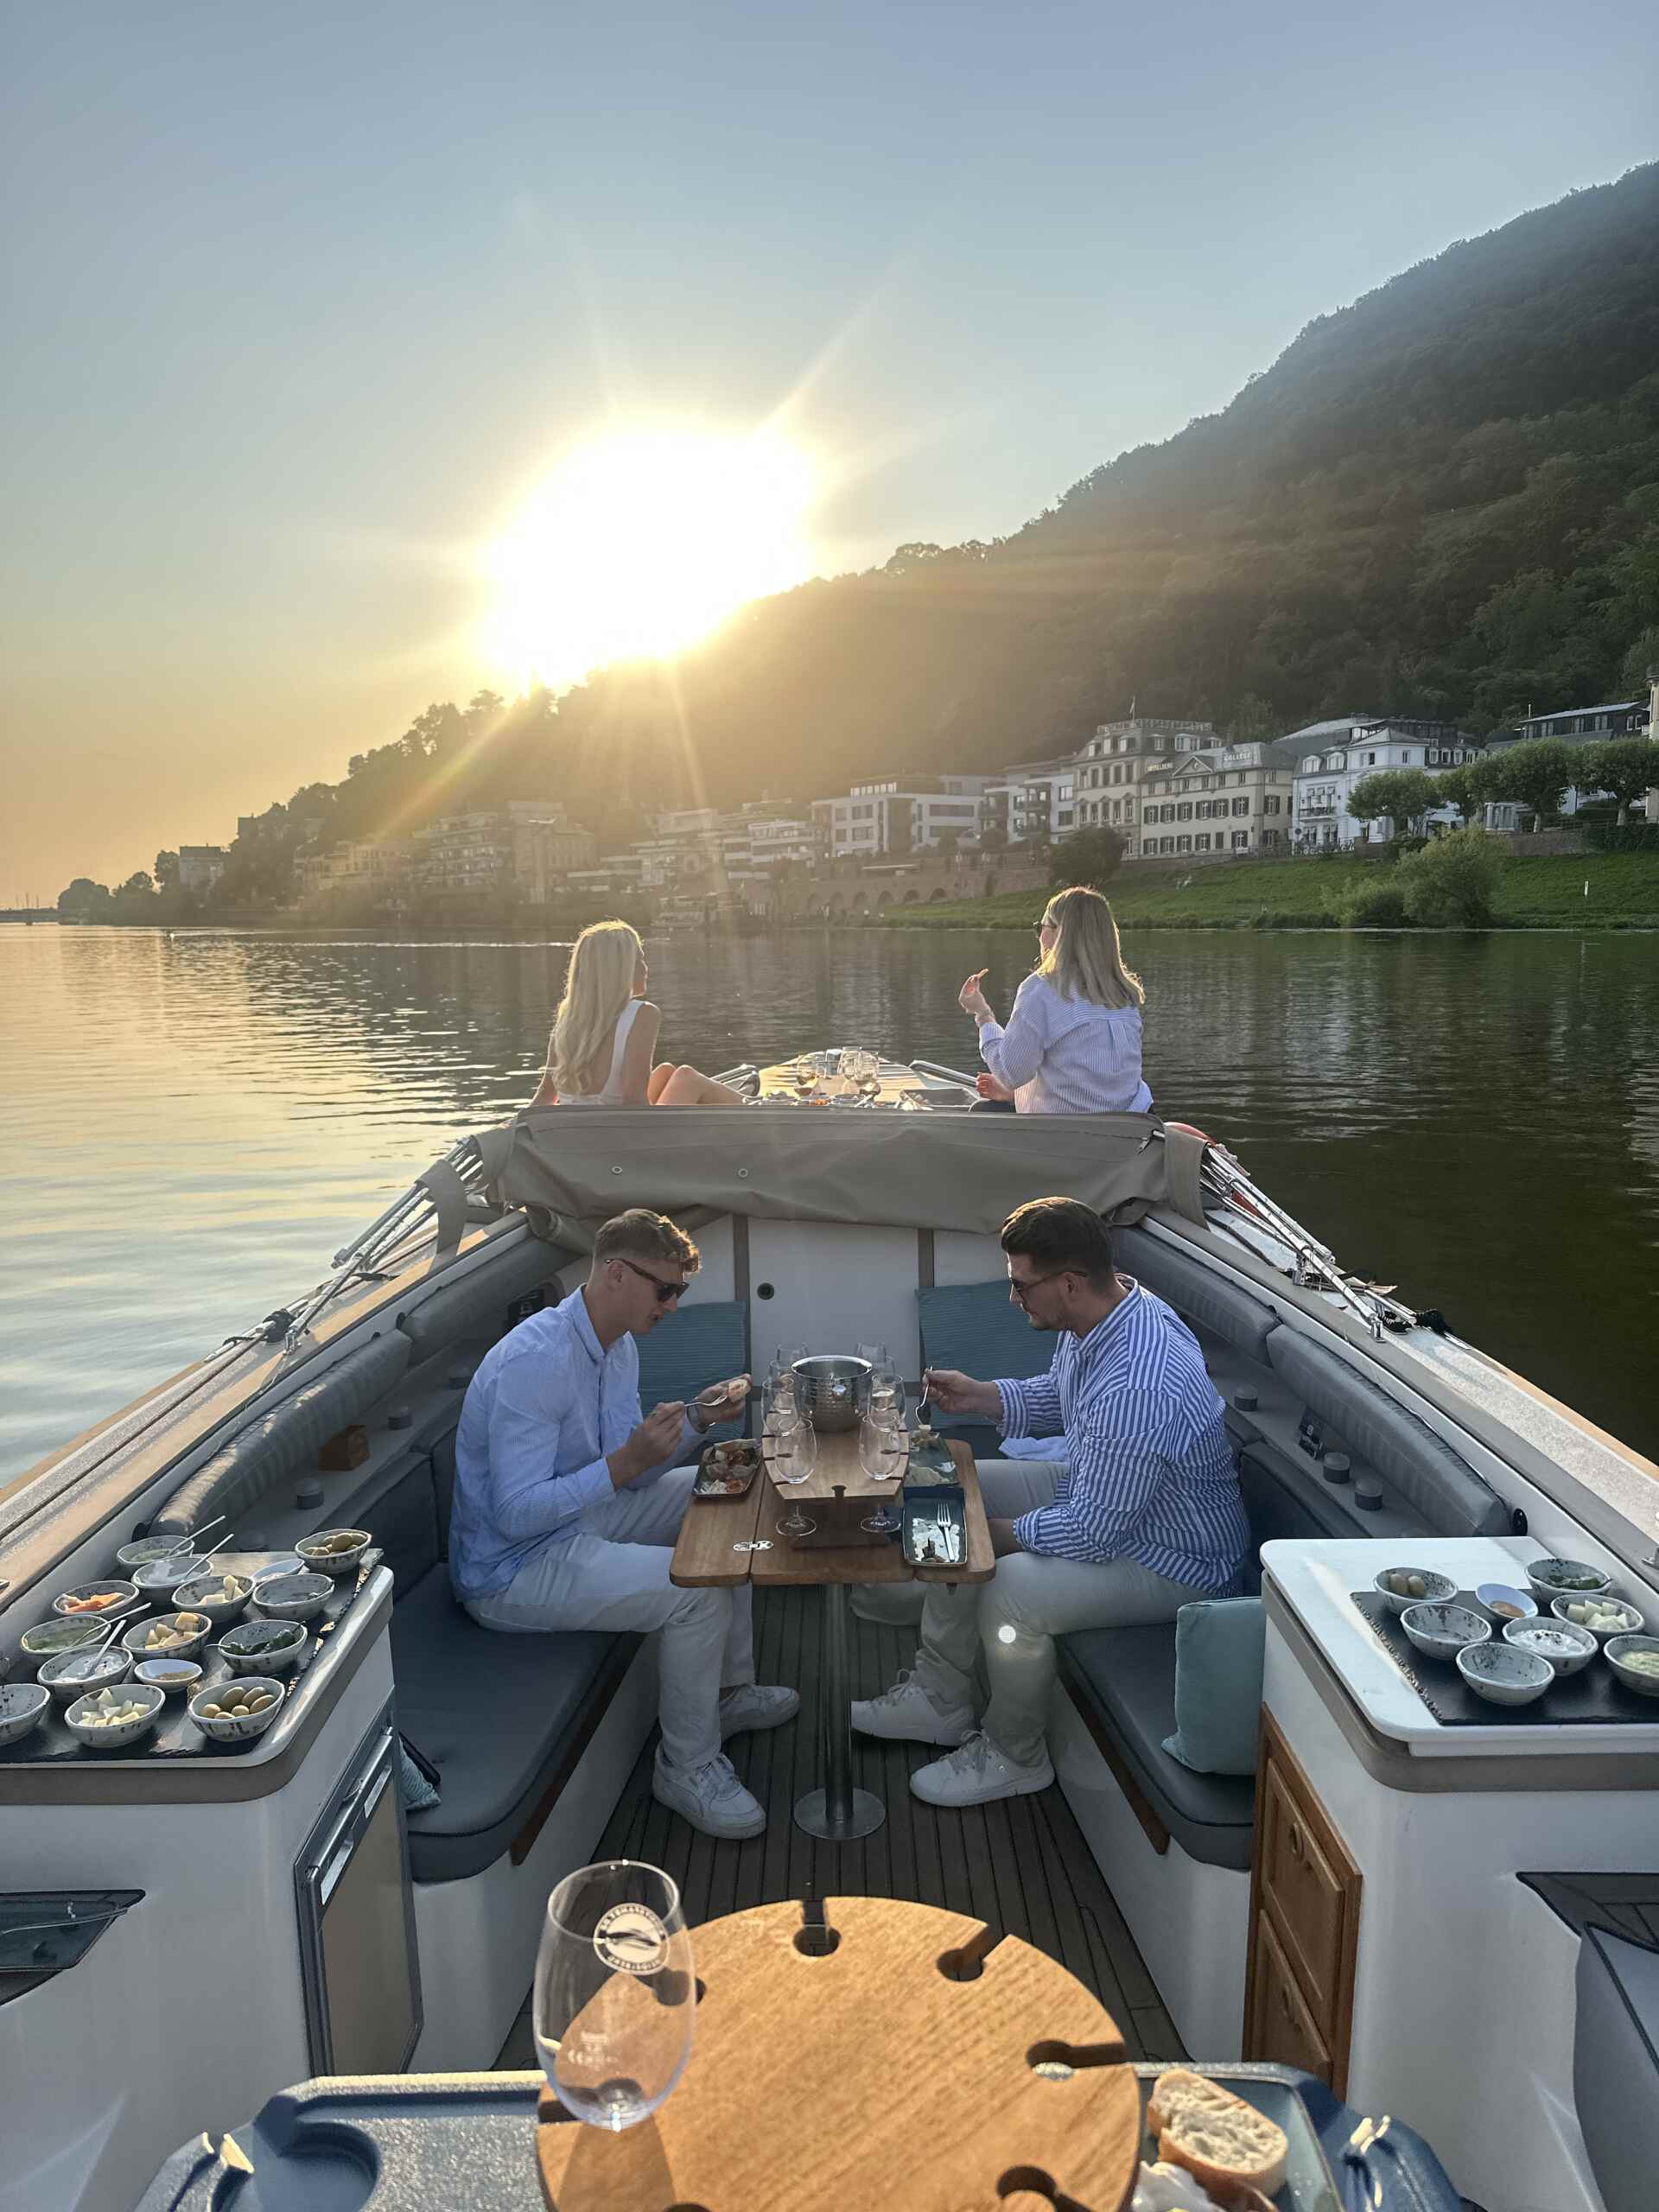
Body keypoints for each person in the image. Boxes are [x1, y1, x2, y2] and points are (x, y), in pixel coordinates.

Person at [851, 1196, 1249, 1808]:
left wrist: (987, 1534)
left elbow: (1093, 1533)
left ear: (1069, 1283)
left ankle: (1016, 1755)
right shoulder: (1111, 1311)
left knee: (1007, 1586)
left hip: (1177, 1560)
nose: (1013, 1298)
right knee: (950, 1485)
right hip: (1109, 1499)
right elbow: (1067, 1397)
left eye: (1021, 1285)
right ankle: (939, 1697)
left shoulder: (1138, 1382)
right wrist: (985, 1397)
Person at [448, 1208, 798, 1838]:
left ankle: (726, 1694)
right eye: (664, 1289)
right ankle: (684, 1767)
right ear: (615, 1273)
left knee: (728, 1495)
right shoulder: (536, 1361)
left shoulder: (618, 1346)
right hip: (513, 1568)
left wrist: (695, 1423)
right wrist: (625, 1462)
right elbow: (515, 1513)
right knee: (697, 1590)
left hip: (583, 1518)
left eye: (678, 1291)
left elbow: (631, 1476)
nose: (673, 1304)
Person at [957, 885, 1153, 1115]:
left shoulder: (1041, 989)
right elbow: (1096, 1079)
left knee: (981, 1111)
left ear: (1059, 934)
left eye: (1041, 928)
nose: (1039, 936)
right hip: (1134, 1125)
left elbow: (1010, 1073)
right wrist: (1015, 1095)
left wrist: (983, 1014)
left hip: (1068, 1131)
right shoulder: (1124, 993)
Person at [531, 919, 747, 1109]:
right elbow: (633, 1101)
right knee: (688, 1078)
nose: (645, 968)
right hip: (621, 1133)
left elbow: (545, 1096)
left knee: (666, 1072)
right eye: (640, 959)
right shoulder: (642, 1014)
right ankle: (760, 1111)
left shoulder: (569, 1018)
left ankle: (755, 1105)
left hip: (577, 1131)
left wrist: (515, 1126)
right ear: (622, 969)